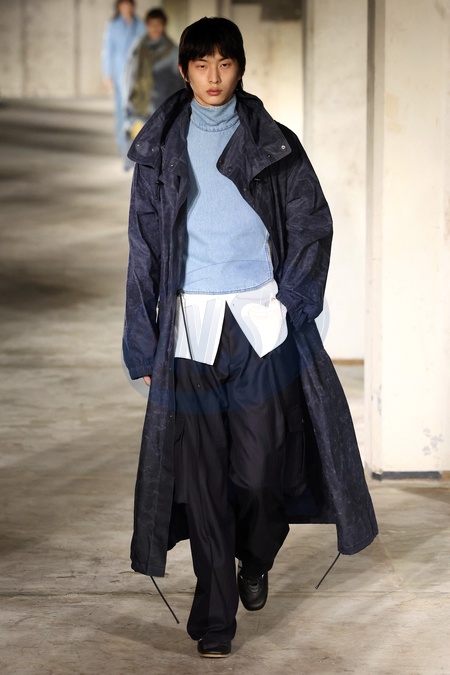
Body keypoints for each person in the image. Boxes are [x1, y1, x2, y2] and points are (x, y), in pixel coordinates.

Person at [123, 17, 378, 659]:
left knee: (263, 472)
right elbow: (143, 250)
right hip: (189, 331)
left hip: (260, 326)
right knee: (204, 480)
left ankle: (256, 556)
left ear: (239, 67)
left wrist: (288, 308)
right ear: (184, 71)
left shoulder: (274, 144)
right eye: (200, 64)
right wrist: (143, 342)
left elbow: (312, 227)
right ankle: (216, 620)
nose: (213, 76)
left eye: (225, 63)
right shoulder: (161, 151)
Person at [123, 8, 182, 144]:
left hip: (162, 112)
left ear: (164, 25)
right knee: (139, 149)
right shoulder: (138, 48)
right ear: (146, 26)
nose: (155, 28)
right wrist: (128, 106)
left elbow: (179, 84)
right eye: (151, 25)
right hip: (139, 110)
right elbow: (129, 77)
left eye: (158, 24)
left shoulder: (173, 53)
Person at [102, 0, 146, 156]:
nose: (126, 7)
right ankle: (123, 144)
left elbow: (146, 47)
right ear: (119, 6)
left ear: (133, 6)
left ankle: (137, 142)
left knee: (138, 108)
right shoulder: (113, 25)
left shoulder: (140, 24)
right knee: (122, 108)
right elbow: (107, 50)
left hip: (138, 73)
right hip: (120, 72)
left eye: (129, 4)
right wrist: (107, 74)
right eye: (123, 4)